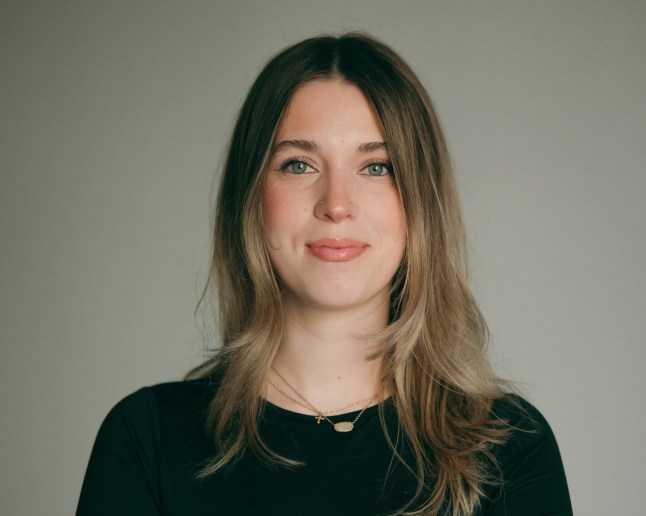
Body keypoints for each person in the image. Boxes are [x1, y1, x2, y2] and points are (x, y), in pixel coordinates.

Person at [77, 33, 572, 516]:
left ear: (421, 203)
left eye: (377, 167)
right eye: (299, 165)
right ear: (251, 197)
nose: (336, 204)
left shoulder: (508, 449)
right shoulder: (148, 439)